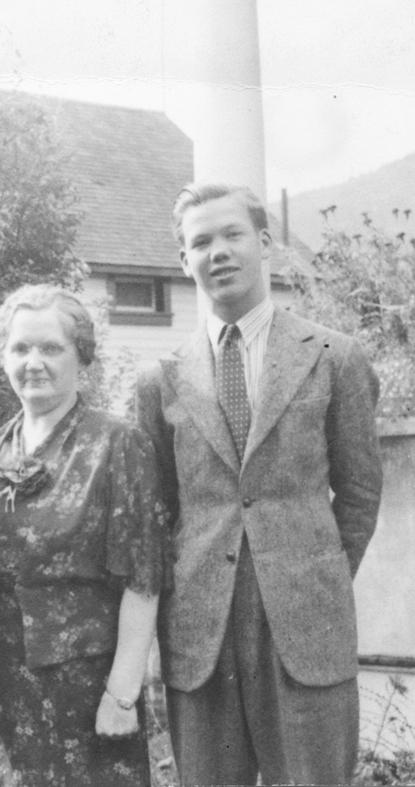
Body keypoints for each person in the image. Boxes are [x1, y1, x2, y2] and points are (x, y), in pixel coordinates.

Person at [136, 183, 383, 786]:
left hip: (306, 623)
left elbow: (359, 494)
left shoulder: (333, 356)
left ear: (265, 243)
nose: (217, 252)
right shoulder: (160, 378)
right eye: (200, 243)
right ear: (183, 262)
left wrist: (311, 574)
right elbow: (158, 508)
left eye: (231, 235)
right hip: (201, 631)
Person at [0, 284, 167, 786]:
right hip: (4, 689)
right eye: (20, 348)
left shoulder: (117, 445)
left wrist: (122, 697)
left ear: (81, 356)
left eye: (51, 348)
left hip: (87, 695)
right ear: (2, 357)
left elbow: (144, 582)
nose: (35, 362)